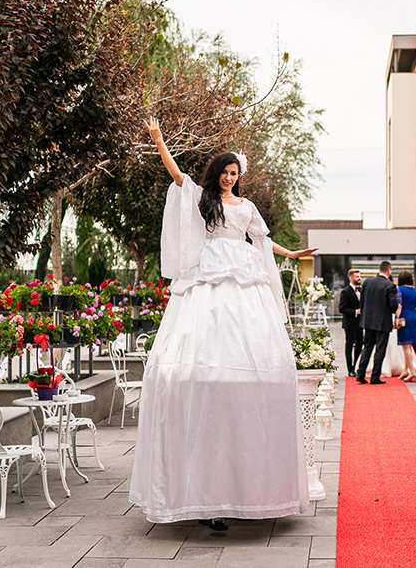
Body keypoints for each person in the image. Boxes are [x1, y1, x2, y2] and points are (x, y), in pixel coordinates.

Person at [130, 117, 315, 528]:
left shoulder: (246, 207)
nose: (229, 178)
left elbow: (263, 239)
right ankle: (204, 495)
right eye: (225, 172)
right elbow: (178, 177)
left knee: (251, 346)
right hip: (210, 270)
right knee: (207, 333)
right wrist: (159, 140)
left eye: (234, 173)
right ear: (216, 173)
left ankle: (245, 492)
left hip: (244, 273)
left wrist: (291, 255)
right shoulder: (204, 199)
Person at [355, 261, 399, 384]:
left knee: (367, 347)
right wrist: (395, 310)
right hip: (382, 322)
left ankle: (360, 374)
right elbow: (393, 305)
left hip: (368, 320)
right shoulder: (390, 285)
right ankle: (375, 376)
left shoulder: (368, 282)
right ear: (389, 270)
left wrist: (364, 316)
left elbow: (362, 301)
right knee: (380, 349)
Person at [394, 270, 416, 381]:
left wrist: (396, 318)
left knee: (405, 346)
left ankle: (412, 371)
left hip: (404, 317)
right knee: (409, 345)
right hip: (413, 317)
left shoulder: (400, 289)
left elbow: (399, 305)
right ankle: (405, 371)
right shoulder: (414, 290)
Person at [338, 269, 364, 377]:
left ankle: (356, 366)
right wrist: (355, 312)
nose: (359, 278)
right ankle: (350, 369)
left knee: (359, 345)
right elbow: (341, 308)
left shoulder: (361, 290)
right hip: (349, 323)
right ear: (351, 278)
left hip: (360, 323)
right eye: (357, 277)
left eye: (359, 276)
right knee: (349, 345)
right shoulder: (346, 291)